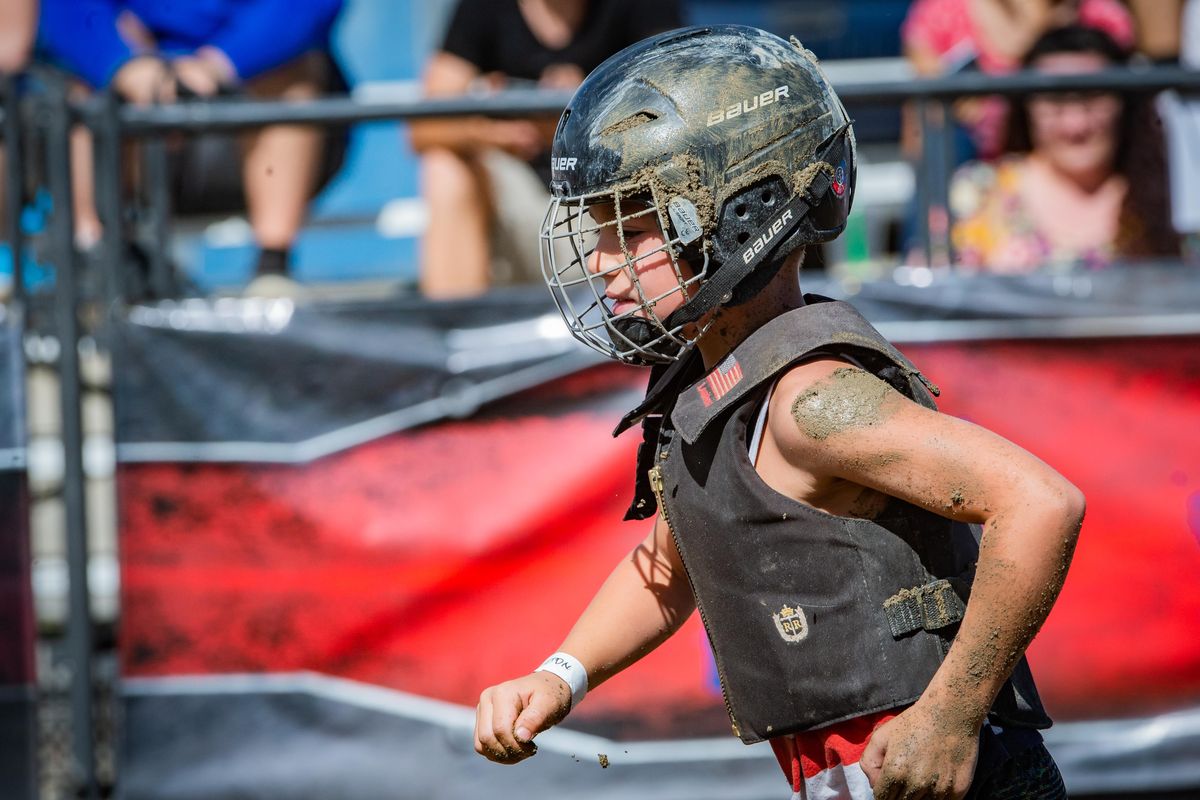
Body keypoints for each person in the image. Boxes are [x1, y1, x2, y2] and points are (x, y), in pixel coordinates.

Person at [474, 25, 1085, 800]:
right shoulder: (715, 381)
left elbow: (1041, 504)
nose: (600, 263)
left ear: (740, 217)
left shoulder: (810, 399)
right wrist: (559, 678)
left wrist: (952, 715)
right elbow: (671, 568)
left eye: (629, 231)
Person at [35, 0, 344, 295]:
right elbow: (66, 11)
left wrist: (218, 63)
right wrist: (125, 66)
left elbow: (304, 8)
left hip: (244, 101)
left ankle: (273, 271)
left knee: (295, 74)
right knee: (82, 91)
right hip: (135, 116)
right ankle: (95, 259)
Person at [409, 0, 682, 299]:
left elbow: (681, 108)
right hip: (519, 212)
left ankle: (660, 318)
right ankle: (455, 328)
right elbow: (422, 128)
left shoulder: (643, 8)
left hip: (602, 204)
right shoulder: (483, 8)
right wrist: (491, 132)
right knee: (444, 168)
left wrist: (583, 109)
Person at [950, 25, 1181, 272]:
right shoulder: (979, 193)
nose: (1076, 124)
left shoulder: (1171, 194)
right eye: (1055, 102)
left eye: (1093, 98)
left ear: (1123, 104)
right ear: (1027, 107)